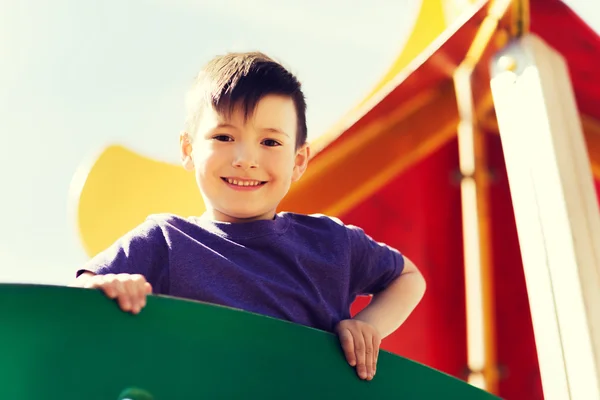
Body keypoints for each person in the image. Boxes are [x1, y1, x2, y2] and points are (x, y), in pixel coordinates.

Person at [71, 52, 426, 381]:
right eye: (224, 136)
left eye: (270, 142)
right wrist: (105, 288)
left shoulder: (331, 242)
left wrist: (369, 325)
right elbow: (76, 295)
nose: (245, 158)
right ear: (188, 149)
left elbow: (409, 277)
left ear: (298, 161)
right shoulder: (165, 240)